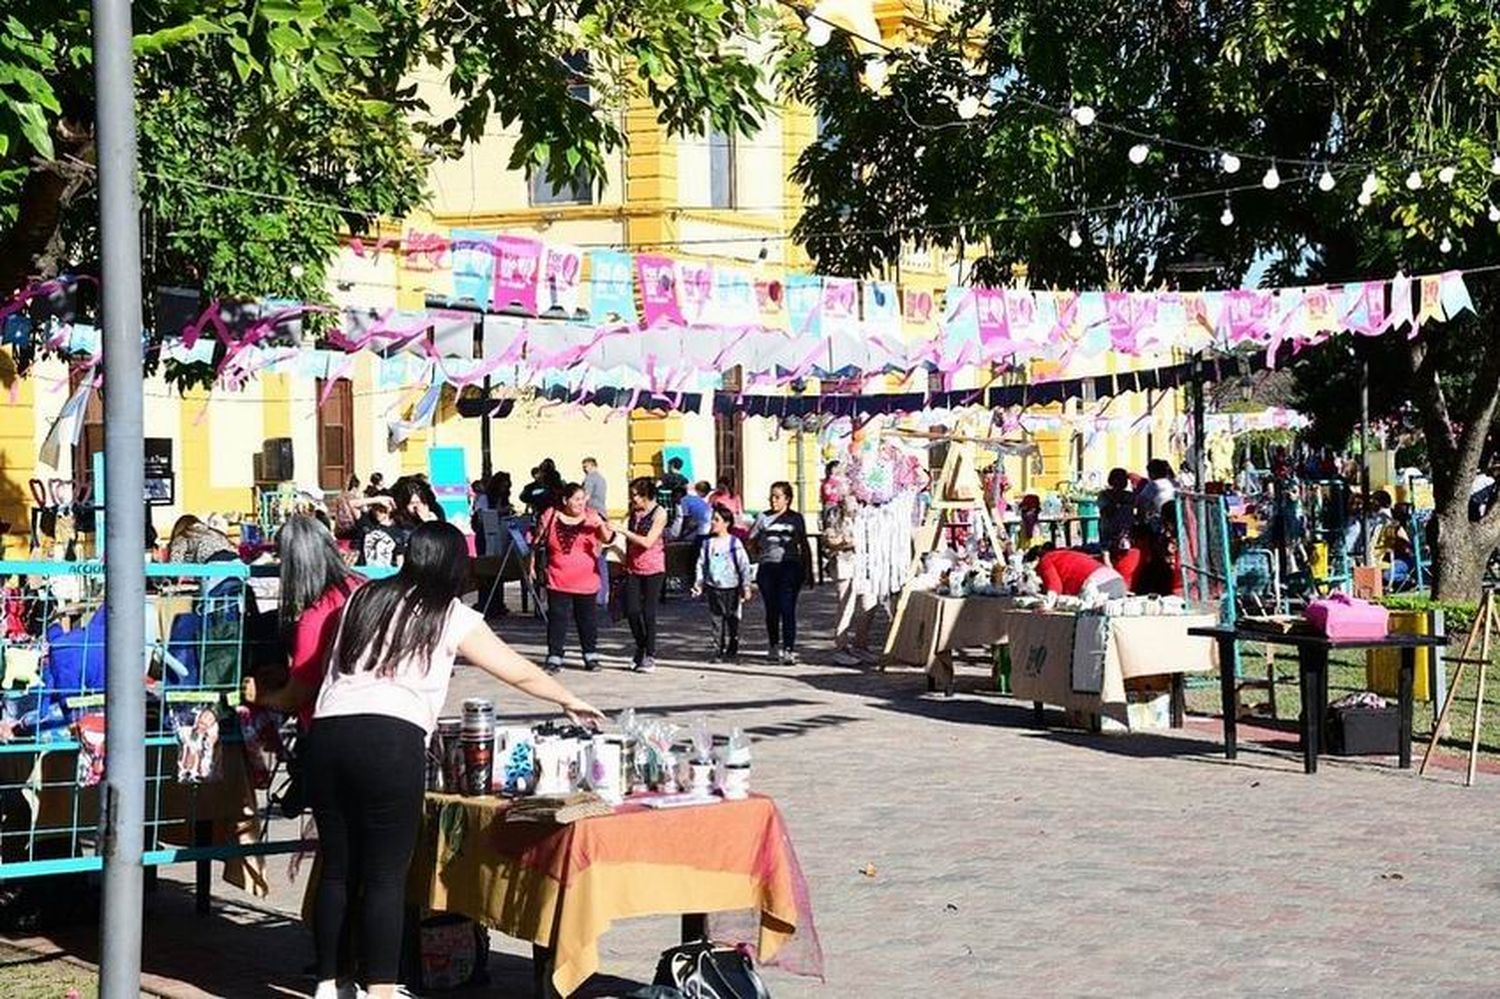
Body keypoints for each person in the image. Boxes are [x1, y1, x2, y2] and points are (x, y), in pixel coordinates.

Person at [294, 522, 604, 999]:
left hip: (329, 734)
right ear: (453, 564)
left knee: (337, 868)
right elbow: (515, 669)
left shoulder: (363, 598)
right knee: (384, 875)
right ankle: (379, 989)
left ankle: (328, 983)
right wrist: (569, 699)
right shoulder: (451, 614)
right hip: (390, 740)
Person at [245, 514, 361, 729]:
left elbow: (295, 697)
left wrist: (259, 696)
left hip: (334, 728)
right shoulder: (362, 587)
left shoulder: (315, 617)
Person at [533, 483, 613, 673]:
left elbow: (608, 538)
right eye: (576, 499)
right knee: (557, 618)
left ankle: (590, 655)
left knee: (587, 619)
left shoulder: (592, 515)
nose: (581, 503)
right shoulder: (551, 515)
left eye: (583, 499)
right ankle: (554, 656)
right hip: (557, 576)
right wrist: (532, 564)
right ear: (565, 500)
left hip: (586, 577)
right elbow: (537, 541)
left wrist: (600, 524)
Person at [749, 481, 812, 665]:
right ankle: (773, 644)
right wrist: (758, 554)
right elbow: (751, 540)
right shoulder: (763, 517)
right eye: (771, 496)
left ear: (787, 499)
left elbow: (803, 543)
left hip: (790, 566)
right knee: (772, 609)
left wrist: (808, 570)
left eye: (777, 497)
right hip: (768, 567)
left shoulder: (796, 518)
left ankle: (789, 648)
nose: (773, 500)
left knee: (787, 608)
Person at [616, 477, 669, 673]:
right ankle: (641, 645)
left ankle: (650, 654)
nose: (633, 498)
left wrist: (624, 532)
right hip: (633, 567)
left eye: (636, 495)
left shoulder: (659, 513)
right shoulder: (633, 512)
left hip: (653, 568)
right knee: (631, 610)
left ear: (646, 495)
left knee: (649, 611)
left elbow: (647, 541)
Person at [692, 505, 753, 662]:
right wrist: (699, 583)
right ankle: (718, 649)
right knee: (716, 619)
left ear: (726, 523)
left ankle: (733, 645)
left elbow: (744, 564)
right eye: (713, 519)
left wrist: (746, 585)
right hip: (714, 587)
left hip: (732, 587)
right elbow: (701, 564)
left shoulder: (734, 543)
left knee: (732, 618)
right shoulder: (707, 544)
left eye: (717, 520)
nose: (713, 522)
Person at [1027, 544, 1127, 600]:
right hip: (1117, 581)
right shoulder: (1063, 554)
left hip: (1097, 586)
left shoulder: (1046, 559)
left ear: (1036, 559)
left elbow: (1055, 586)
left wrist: (1047, 604)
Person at [1097, 467, 1137, 555]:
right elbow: (1105, 511)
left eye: (1122, 479)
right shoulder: (1104, 495)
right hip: (1109, 532)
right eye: (1117, 479)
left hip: (1125, 532)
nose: (1119, 482)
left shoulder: (1130, 496)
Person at [167, 515, 237, 564]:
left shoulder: (184, 535)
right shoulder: (214, 532)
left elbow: (175, 563)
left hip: (215, 564)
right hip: (236, 561)